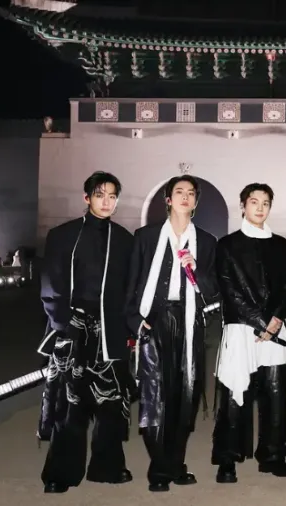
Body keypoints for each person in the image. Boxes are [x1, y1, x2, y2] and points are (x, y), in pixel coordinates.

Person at [37, 171, 135, 493]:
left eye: (112, 196)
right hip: (73, 328)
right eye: (100, 195)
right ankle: (60, 473)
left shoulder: (124, 240)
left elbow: (130, 289)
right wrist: (63, 324)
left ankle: (108, 467)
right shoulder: (63, 235)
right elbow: (50, 284)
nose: (106, 202)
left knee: (111, 402)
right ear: (87, 197)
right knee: (70, 403)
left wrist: (130, 328)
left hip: (111, 329)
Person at [125, 175, 220, 492]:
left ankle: (175, 463)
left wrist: (197, 270)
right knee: (155, 396)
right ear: (168, 199)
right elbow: (132, 283)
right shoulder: (146, 237)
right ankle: (160, 468)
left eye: (191, 193)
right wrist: (135, 320)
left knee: (185, 396)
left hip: (189, 321)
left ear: (196, 202)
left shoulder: (206, 241)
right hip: (154, 320)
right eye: (179, 192)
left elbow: (213, 291)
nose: (185, 197)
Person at [210, 183, 286, 483]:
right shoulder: (227, 244)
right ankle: (227, 459)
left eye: (265, 203)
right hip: (240, 327)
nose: (260, 208)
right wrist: (260, 321)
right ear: (242, 206)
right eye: (254, 202)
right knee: (235, 394)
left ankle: (273, 456)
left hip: (274, 328)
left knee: (275, 393)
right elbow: (228, 287)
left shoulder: (281, 244)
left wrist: (276, 320)